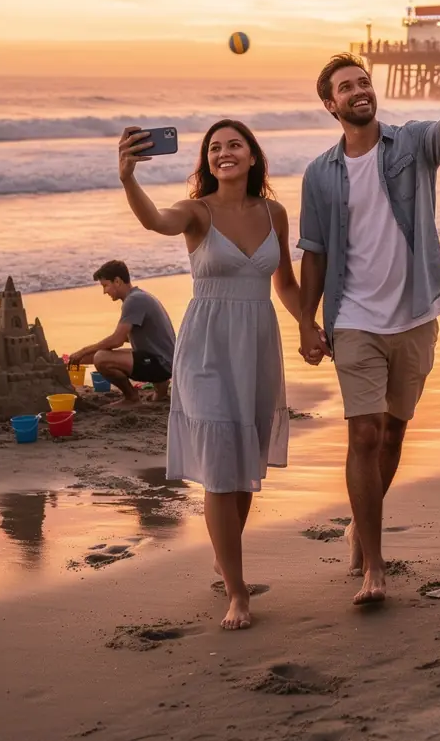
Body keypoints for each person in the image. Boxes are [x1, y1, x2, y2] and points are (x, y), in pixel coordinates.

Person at [298, 25, 440, 605]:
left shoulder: (410, 145)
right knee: (363, 434)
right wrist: (307, 322)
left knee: (394, 434)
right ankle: (373, 568)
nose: (359, 90)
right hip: (354, 318)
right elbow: (315, 252)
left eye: (363, 82)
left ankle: (363, 521)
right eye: (345, 86)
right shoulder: (319, 174)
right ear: (330, 104)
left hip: (414, 313)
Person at [118, 119, 319, 631]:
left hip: (257, 345)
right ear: (207, 162)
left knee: (244, 464)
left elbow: (286, 283)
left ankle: (223, 554)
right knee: (219, 467)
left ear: (253, 156)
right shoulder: (196, 212)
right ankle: (237, 590)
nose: (224, 153)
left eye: (234, 145)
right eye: (214, 148)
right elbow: (155, 221)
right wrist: (128, 178)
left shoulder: (274, 213)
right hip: (206, 347)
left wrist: (308, 327)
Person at [69, 261, 176, 408]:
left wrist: (84, 350)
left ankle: (131, 398)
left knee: (101, 358)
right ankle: (161, 388)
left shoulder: (133, 301)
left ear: (117, 281)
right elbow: (129, 338)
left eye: (105, 285)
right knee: (100, 354)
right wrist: (80, 358)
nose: (104, 291)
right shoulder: (140, 296)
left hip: (160, 364)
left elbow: (117, 340)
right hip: (164, 360)